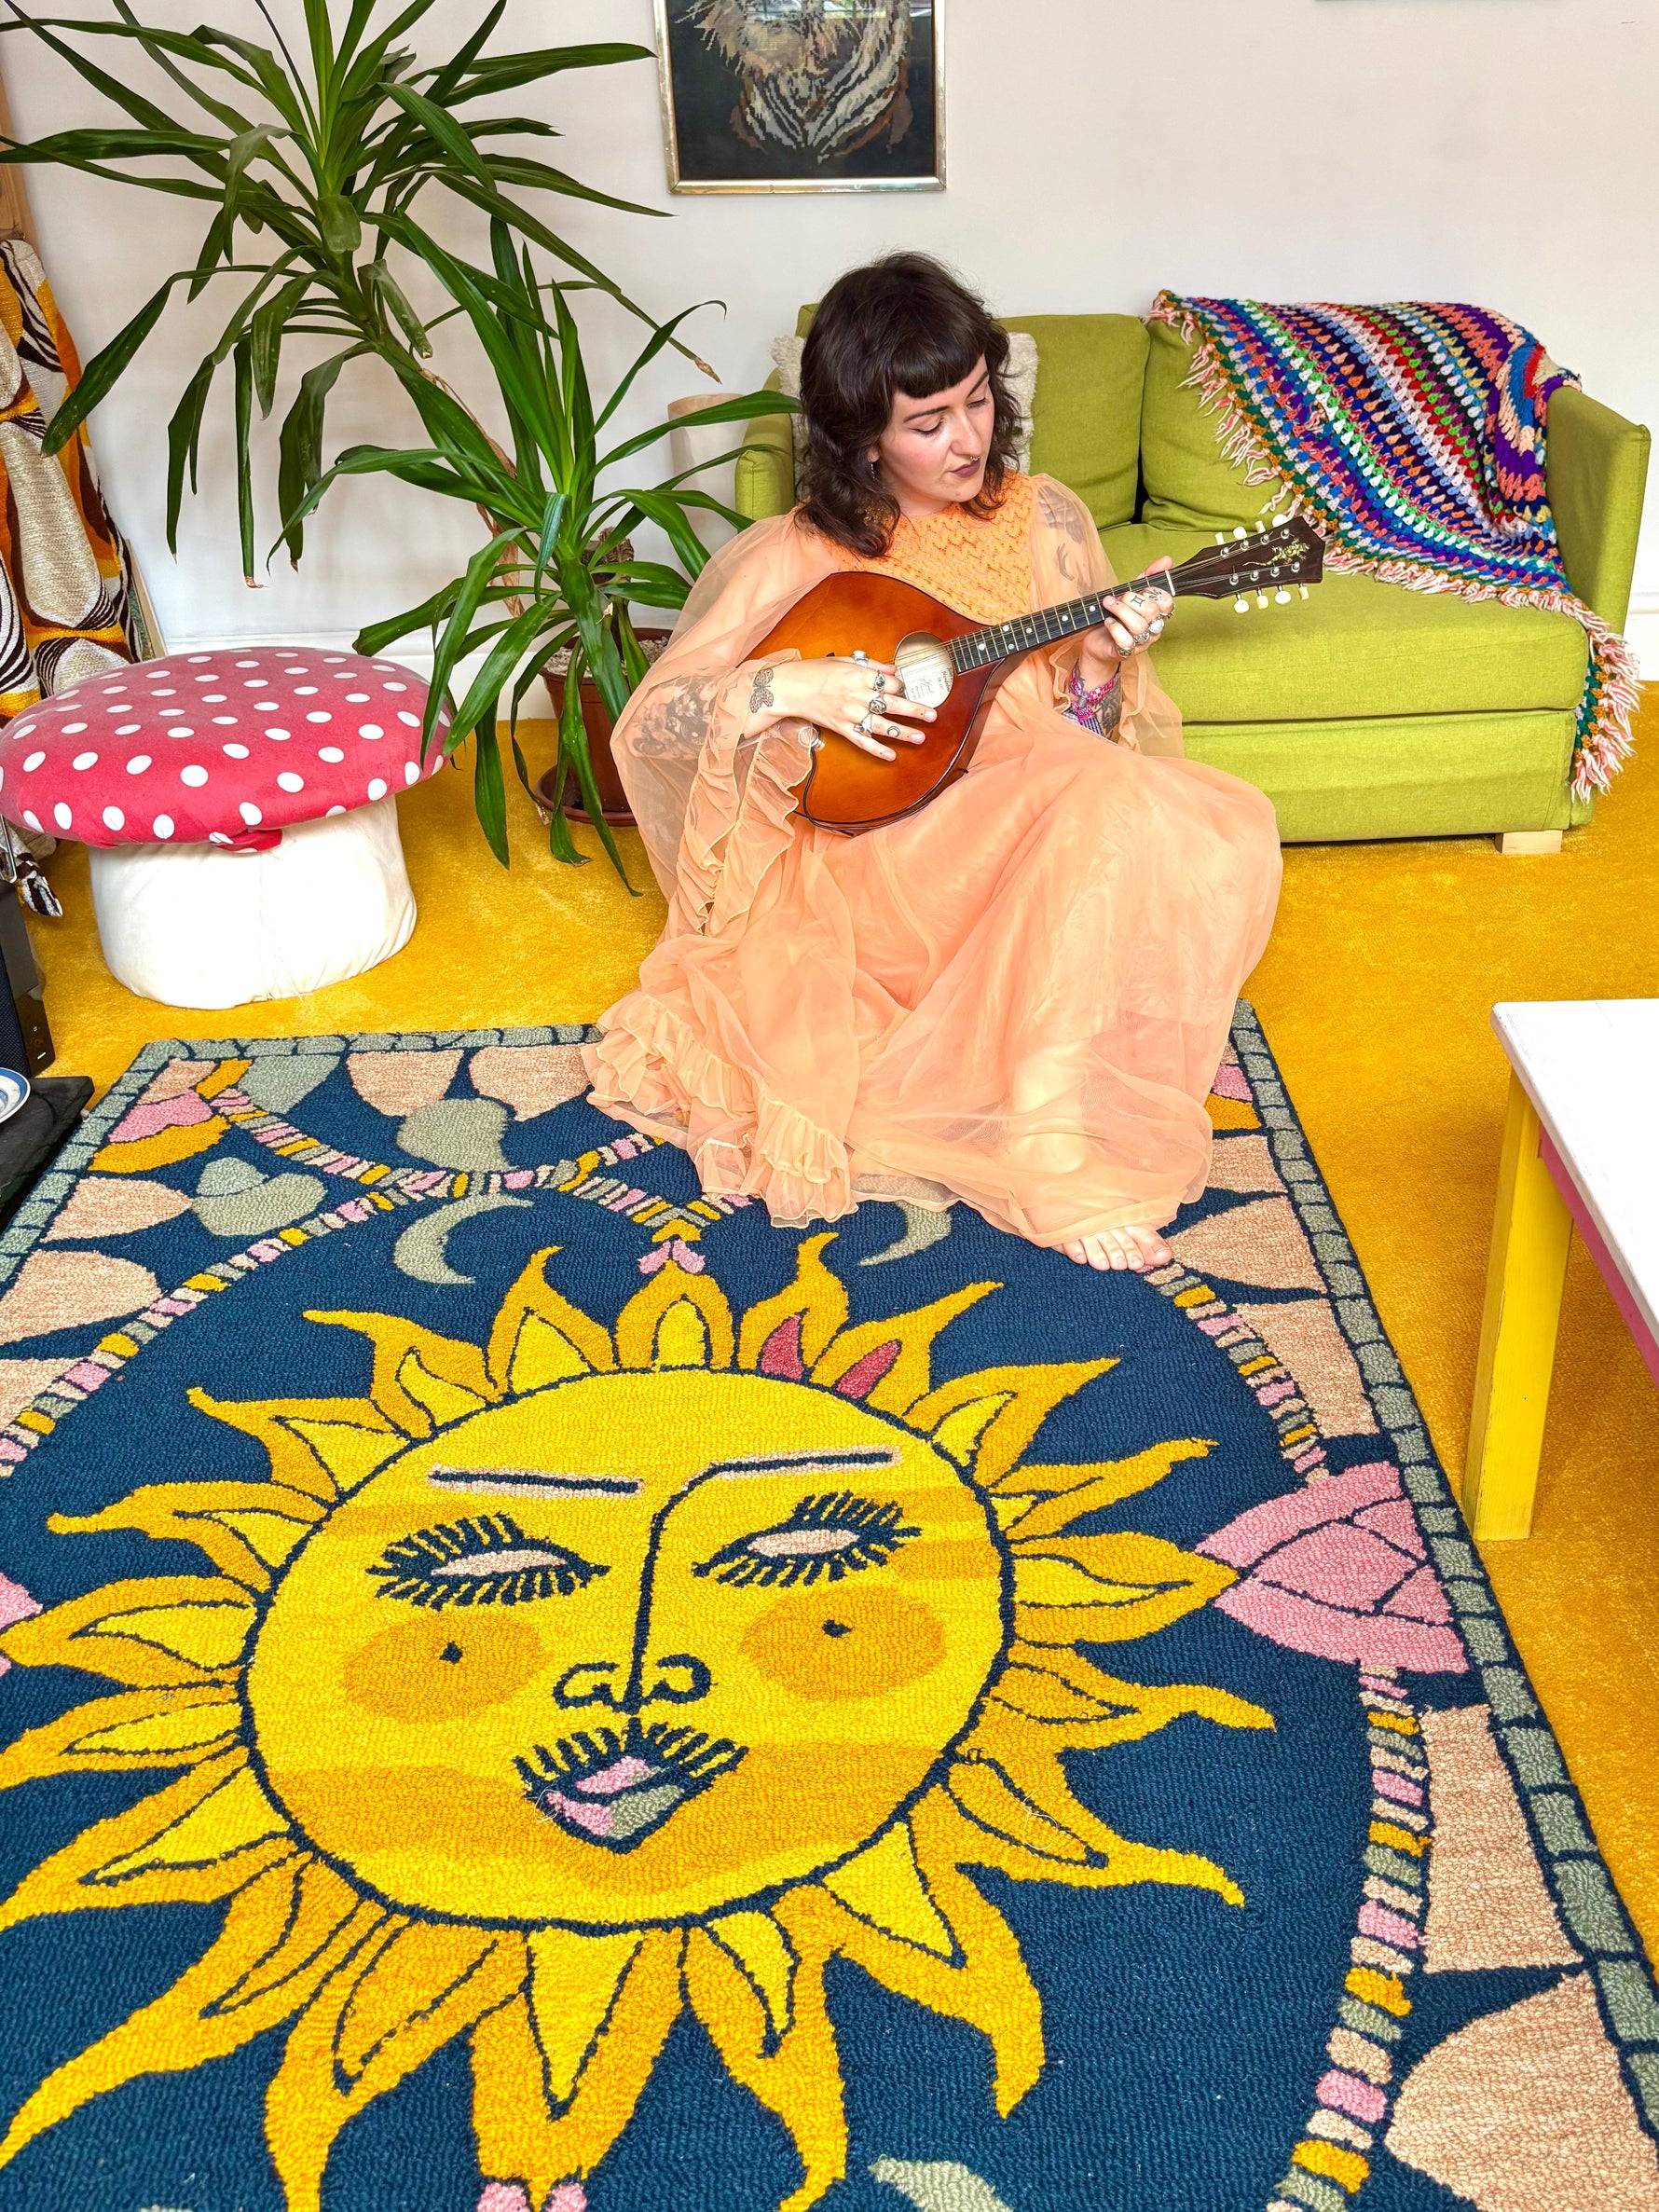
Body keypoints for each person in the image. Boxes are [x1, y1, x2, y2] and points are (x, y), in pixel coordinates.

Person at [584, 254, 1282, 1273]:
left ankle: (1038, 1098)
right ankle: (1044, 1139)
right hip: (878, 856)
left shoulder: (1042, 517)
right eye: (928, 423)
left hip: (1032, 819)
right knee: (1104, 801)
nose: (967, 440)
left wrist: (1094, 658)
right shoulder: (796, 553)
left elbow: (1079, 746)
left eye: (976, 403)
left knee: (1165, 810)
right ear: (860, 440)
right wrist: (793, 688)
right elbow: (652, 724)